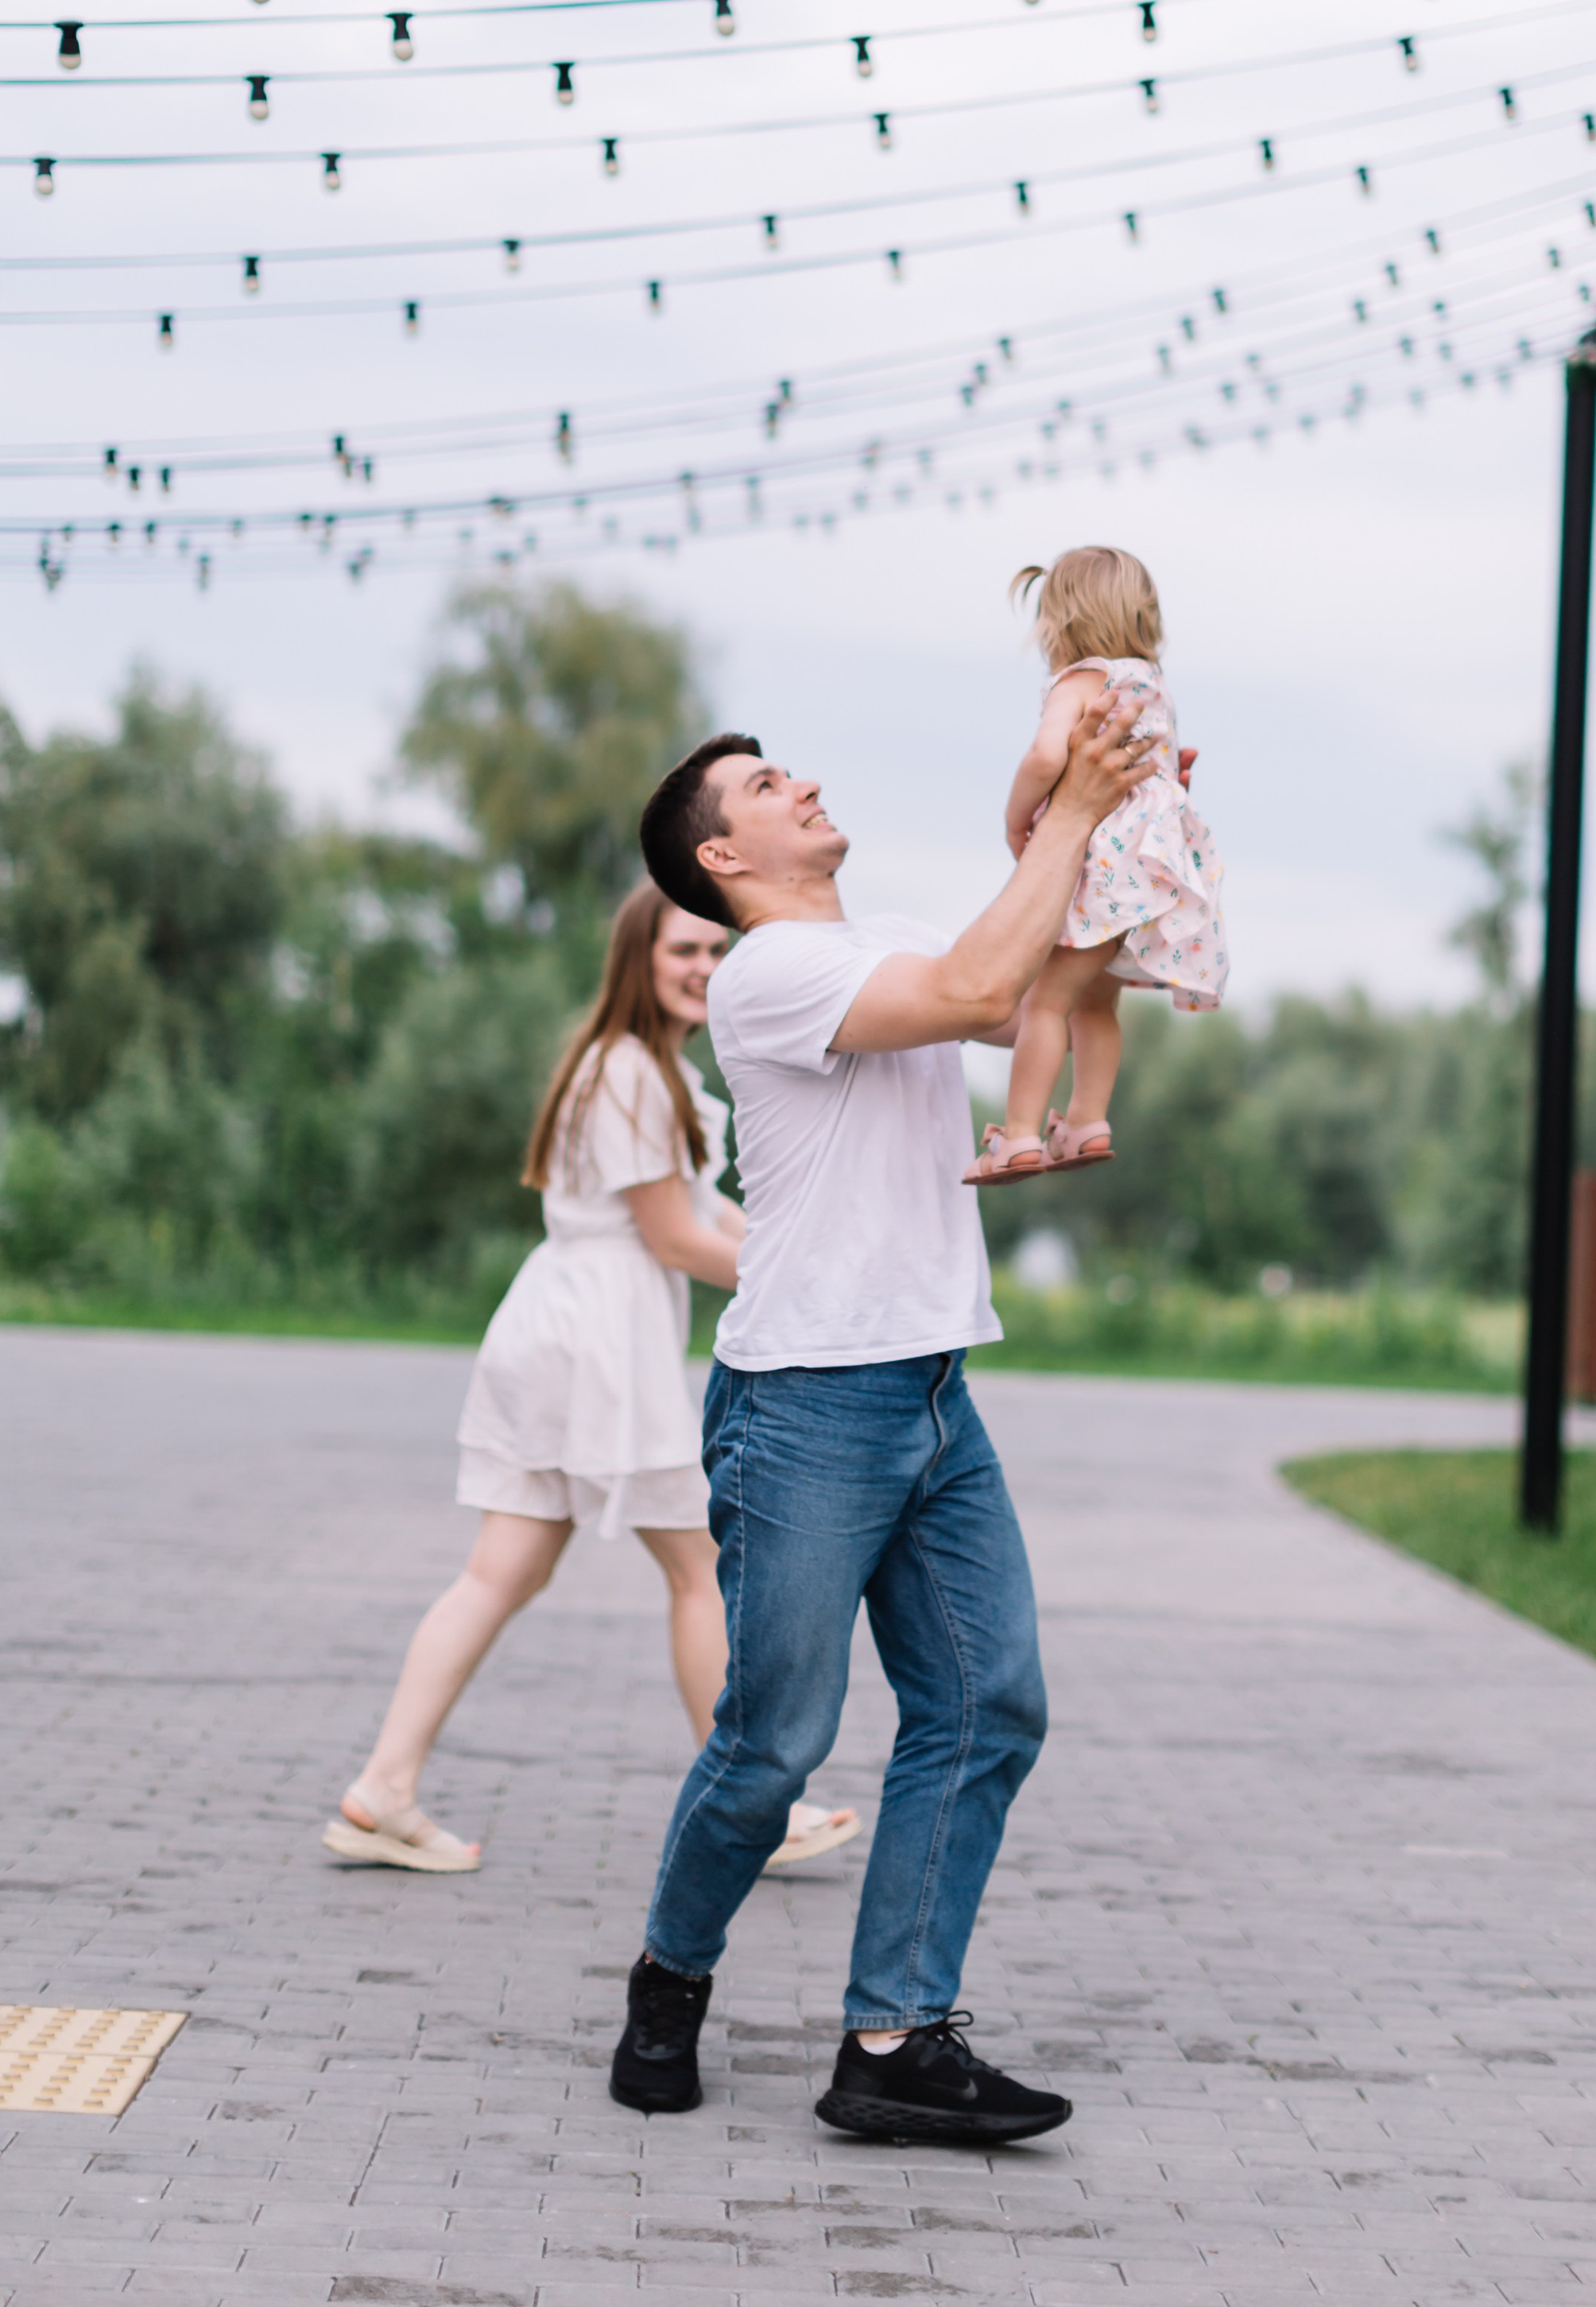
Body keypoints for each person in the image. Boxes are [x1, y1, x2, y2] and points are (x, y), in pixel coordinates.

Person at [608, 683, 1149, 2143]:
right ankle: (671, 1976)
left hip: (930, 1386)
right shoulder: (764, 974)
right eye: (769, 786)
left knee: (987, 1707)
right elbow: (981, 992)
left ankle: (893, 2041)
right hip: (804, 1408)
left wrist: (1123, 806)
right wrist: (1079, 813)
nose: (803, 786)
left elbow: (1030, 961)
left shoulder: (874, 930)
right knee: (775, 1742)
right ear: (724, 859)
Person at [323, 880, 858, 1879]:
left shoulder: (645, 1073)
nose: (702, 969)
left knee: (506, 1572)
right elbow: (673, 1238)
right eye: (681, 953)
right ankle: (755, 1808)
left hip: (564, 1331)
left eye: (713, 952)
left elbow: (714, 1219)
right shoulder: (629, 1077)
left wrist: (810, 1256)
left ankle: (383, 1789)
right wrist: (811, 1288)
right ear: (636, 961)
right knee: (698, 1566)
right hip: (593, 1345)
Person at [967, 546, 1226, 1182]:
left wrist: (1014, 818)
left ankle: (1022, 1134)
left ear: (1058, 623)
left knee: (1046, 1004)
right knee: (1094, 1005)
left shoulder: (1081, 680)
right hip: (1157, 873)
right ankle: (1086, 1121)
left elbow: (1044, 755)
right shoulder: (1152, 683)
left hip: (1104, 872)